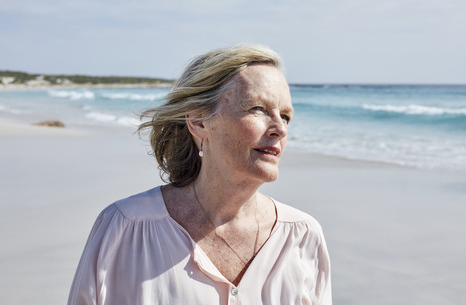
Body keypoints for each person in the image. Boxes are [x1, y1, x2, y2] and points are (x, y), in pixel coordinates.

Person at [68, 44, 332, 304]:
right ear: (198, 121)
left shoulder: (302, 235)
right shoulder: (125, 227)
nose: (279, 129)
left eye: (285, 116)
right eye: (257, 109)